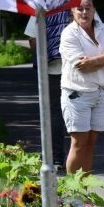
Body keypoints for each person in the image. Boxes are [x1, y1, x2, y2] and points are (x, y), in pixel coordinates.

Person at [58, 0, 104, 174]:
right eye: (80, 9)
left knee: (91, 143)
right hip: (77, 93)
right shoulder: (69, 34)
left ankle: (83, 195)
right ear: (72, 10)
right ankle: (72, 194)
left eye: (88, 8)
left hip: (101, 92)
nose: (84, 12)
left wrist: (96, 60)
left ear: (94, 9)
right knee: (78, 142)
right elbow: (81, 65)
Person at [25, 9, 71, 169]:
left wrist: (41, 58)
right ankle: (78, 157)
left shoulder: (42, 5)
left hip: (51, 68)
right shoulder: (78, 3)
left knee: (54, 112)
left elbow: (32, 39)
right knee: (77, 111)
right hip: (77, 67)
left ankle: (56, 158)